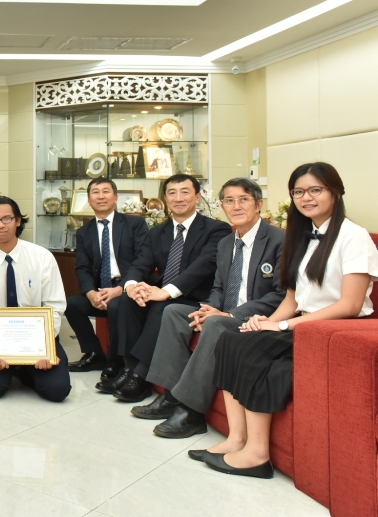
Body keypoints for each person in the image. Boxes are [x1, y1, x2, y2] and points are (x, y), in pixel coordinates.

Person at [201, 163, 377, 479]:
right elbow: (292, 300)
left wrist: (283, 326)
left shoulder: (354, 236)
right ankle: (237, 439)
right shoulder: (302, 237)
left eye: (315, 190)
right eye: (299, 192)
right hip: (302, 323)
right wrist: (265, 321)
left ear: (335, 193)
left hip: (331, 329)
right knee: (231, 338)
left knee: (252, 351)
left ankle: (257, 455)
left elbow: (350, 305)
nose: (306, 198)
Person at [134, 178, 285, 438]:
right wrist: (209, 308)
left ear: (259, 204)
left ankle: (191, 411)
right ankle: (170, 395)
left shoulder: (279, 239)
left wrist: (228, 314)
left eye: (244, 199)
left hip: (255, 317)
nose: (236, 206)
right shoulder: (226, 242)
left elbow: (281, 294)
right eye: (229, 200)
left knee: (215, 323)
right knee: (174, 312)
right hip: (223, 311)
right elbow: (218, 287)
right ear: (221, 205)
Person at [98, 174, 231, 403]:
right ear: (165, 199)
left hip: (196, 297)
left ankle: (139, 376)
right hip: (164, 293)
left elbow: (203, 266)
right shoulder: (158, 232)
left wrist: (166, 291)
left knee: (163, 307)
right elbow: (140, 263)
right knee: (125, 301)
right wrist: (132, 286)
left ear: (197, 197)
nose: (178, 198)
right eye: (172, 193)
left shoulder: (217, 229)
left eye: (185, 192)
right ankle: (129, 368)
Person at [0, 196, 71, 402]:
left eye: (7, 219)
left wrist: (45, 347)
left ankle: (23, 370)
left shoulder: (42, 257)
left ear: (18, 221)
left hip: (38, 338)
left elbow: (54, 305)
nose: (0, 225)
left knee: (57, 391)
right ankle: (19, 369)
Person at [66, 177, 148, 373]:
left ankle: (116, 361)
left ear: (116, 197)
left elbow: (143, 260)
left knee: (116, 306)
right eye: (95, 192)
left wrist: (121, 288)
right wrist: (90, 293)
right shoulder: (84, 232)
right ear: (89, 200)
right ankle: (94, 354)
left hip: (129, 288)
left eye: (106, 191)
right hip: (101, 288)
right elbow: (82, 267)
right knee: (71, 304)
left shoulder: (135, 224)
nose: (101, 196)